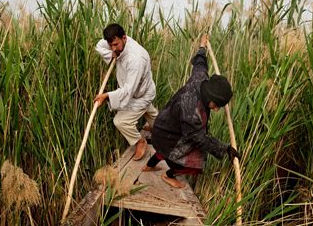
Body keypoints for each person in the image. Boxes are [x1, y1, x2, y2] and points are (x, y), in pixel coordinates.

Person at [142, 34, 240, 188]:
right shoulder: (191, 112)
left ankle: (149, 166)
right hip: (170, 136)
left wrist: (202, 46)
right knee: (191, 163)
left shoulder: (200, 79)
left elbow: (200, 63)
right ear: (210, 99)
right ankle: (168, 175)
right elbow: (200, 139)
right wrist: (225, 149)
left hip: (163, 126)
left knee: (162, 149)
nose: (218, 109)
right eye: (217, 105)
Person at [94, 23, 158, 160]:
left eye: (116, 45)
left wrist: (107, 96)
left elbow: (129, 90)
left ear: (124, 38)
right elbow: (99, 45)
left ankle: (140, 141)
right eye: (111, 45)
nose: (114, 48)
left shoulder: (136, 59)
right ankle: (158, 127)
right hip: (139, 90)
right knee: (151, 114)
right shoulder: (114, 43)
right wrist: (111, 53)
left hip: (140, 94)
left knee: (120, 121)